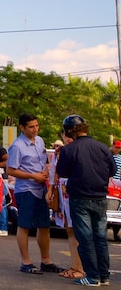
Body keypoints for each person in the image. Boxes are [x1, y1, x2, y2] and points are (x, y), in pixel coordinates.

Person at [56, 114, 116, 286]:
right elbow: (112, 170)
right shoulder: (102, 147)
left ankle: (92, 276)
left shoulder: (69, 149)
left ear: (68, 131)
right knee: (100, 237)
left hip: (80, 198)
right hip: (100, 197)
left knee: (85, 238)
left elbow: (63, 172)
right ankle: (104, 276)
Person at [7, 113, 65, 275]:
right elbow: (11, 169)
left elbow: (45, 162)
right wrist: (33, 176)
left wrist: (46, 171)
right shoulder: (17, 146)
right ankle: (26, 262)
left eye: (37, 126)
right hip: (26, 189)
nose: (35, 129)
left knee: (44, 225)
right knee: (24, 225)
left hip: (41, 189)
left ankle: (46, 260)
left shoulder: (40, 141)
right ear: (22, 128)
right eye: (31, 127)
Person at [49, 132, 85, 281]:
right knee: (70, 230)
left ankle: (80, 268)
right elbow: (53, 171)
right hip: (63, 193)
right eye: (66, 134)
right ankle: (76, 266)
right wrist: (50, 190)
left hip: (74, 192)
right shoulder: (60, 152)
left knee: (77, 231)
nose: (69, 137)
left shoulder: (76, 150)